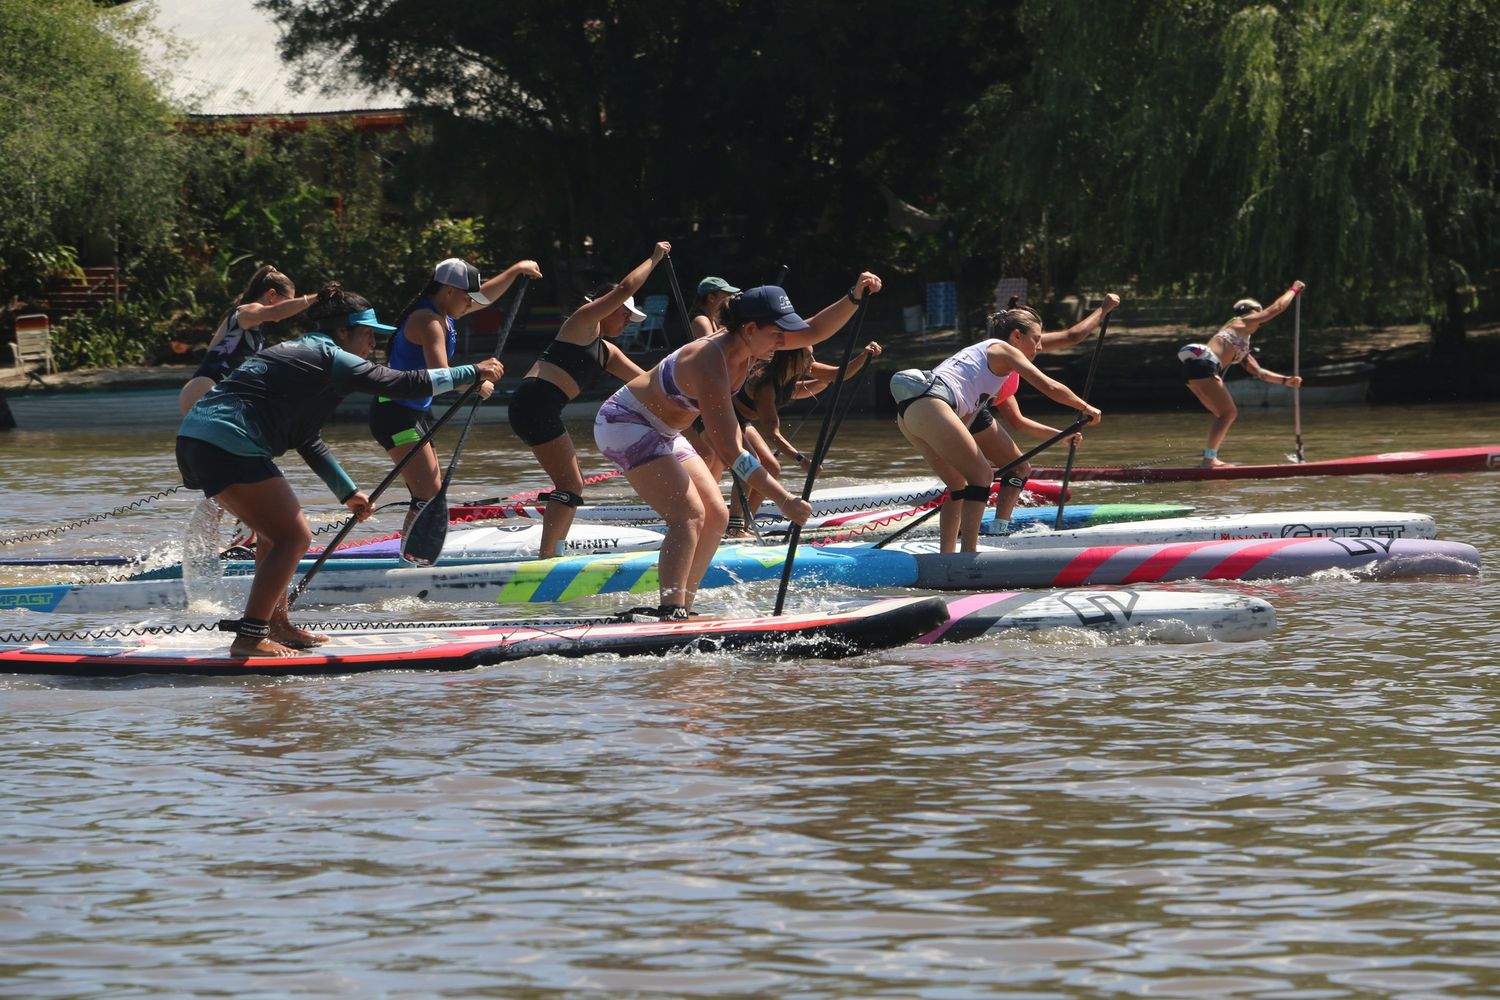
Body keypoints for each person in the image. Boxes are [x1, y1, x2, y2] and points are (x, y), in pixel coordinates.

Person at [177, 282, 503, 658]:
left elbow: (307, 438)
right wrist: (472, 371)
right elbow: (398, 383)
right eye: (366, 335)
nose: (371, 346)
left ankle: (277, 624)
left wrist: (348, 492)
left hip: (199, 440)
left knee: (273, 535)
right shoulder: (328, 355)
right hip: (224, 442)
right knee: (294, 537)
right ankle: (249, 637)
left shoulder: (307, 356)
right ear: (343, 331)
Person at [593, 277, 881, 618]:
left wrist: (854, 295)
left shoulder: (754, 340)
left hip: (666, 430)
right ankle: (670, 610)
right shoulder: (709, 362)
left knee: (716, 516)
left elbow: (815, 330)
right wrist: (784, 499)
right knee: (688, 515)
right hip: (624, 424)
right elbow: (731, 452)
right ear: (750, 327)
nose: (783, 341)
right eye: (777, 334)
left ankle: (684, 605)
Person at [891, 307, 1102, 553]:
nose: (1040, 347)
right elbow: (1048, 386)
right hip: (931, 401)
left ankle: (946, 558)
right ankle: (970, 556)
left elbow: (969, 421)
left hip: (909, 413)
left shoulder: (983, 366)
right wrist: (1086, 407)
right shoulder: (1002, 349)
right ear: (1016, 336)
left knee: (958, 484)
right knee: (982, 476)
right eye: (1036, 339)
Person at [507, 242, 669, 558]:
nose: (625, 323)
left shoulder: (608, 352)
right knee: (571, 484)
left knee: (570, 484)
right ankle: (548, 558)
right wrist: (655, 257)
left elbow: (650, 383)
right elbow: (625, 287)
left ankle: (551, 553)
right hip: (533, 403)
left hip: (542, 408)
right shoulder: (583, 322)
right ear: (610, 307)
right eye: (624, 315)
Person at [371, 256, 542, 534]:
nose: (470, 303)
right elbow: (442, 375)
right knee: (427, 496)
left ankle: (413, 554)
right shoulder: (428, 321)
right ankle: (410, 561)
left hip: (411, 413)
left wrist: (516, 269)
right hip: (395, 415)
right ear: (449, 291)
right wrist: (477, 380)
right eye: (467, 297)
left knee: (429, 494)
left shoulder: (445, 311)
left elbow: (484, 297)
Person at [721, 340, 882, 535]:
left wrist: (864, 356)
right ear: (790, 359)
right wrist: (802, 461)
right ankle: (734, 525)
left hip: (744, 421)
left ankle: (745, 524)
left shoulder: (795, 369)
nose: (812, 361)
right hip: (726, 418)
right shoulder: (765, 385)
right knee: (751, 462)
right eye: (807, 356)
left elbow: (837, 374)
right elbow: (773, 433)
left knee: (772, 467)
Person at [1179, 281, 1305, 467]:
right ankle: (1209, 460)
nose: (1260, 322)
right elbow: (1276, 309)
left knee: (1221, 414)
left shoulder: (1240, 342)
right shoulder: (1242, 321)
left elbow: (1259, 372)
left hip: (1192, 369)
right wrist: (1293, 290)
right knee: (1228, 413)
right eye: (1259, 315)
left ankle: (1208, 457)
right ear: (1252, 313)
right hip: (1204, 364)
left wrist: (1286, 381)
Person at [178, 265, 315, 414]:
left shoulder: (253, 325)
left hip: (211, 393)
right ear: (271, 294)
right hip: (204, 389)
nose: (290, 308)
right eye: (288, 301)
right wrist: (315, 298)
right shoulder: (246, 311)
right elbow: (276, 312)